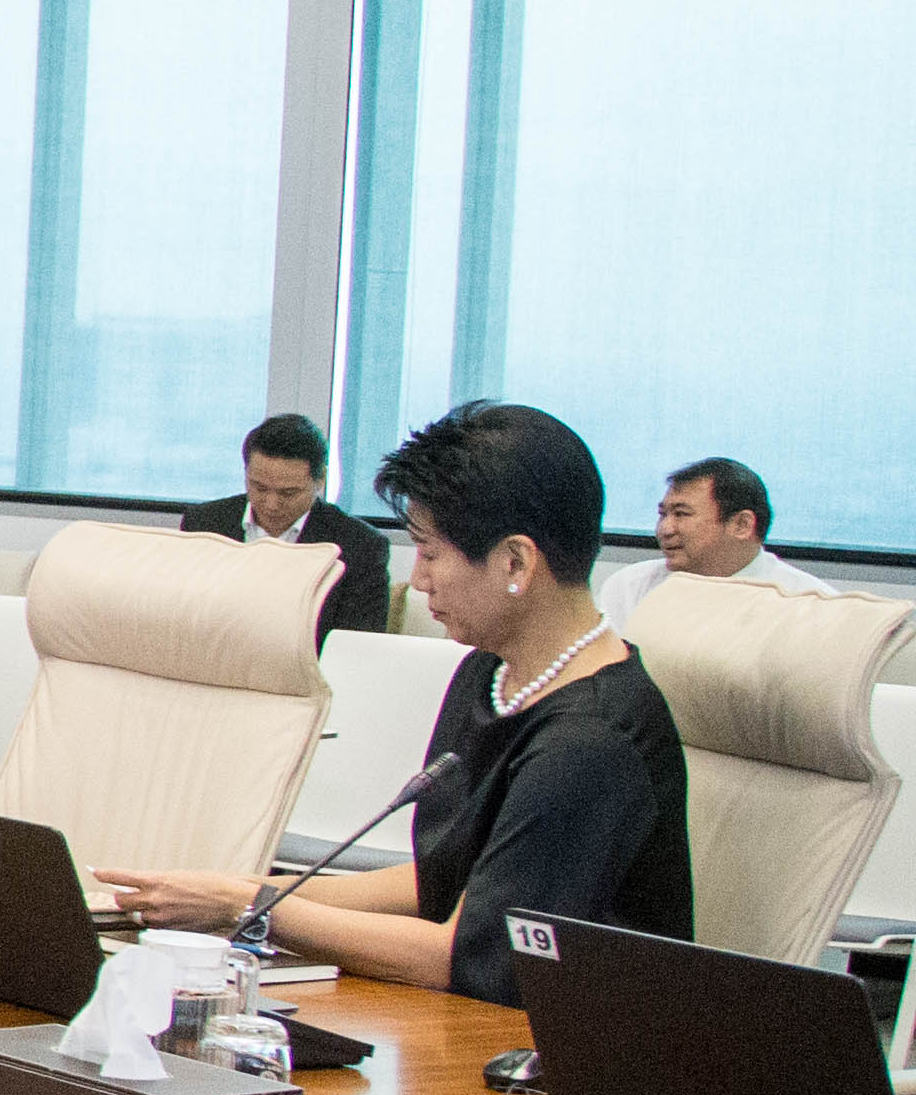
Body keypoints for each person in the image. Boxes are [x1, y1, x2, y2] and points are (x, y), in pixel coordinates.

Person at [105, 401, 689, 1005]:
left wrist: (249, 907)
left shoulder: (591, 740)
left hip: (557, 1037)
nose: (420, 579)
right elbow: (439, 882)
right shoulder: (491, 672)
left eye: (430, 552)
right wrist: (229, 890)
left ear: (516, 562)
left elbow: (466, 955)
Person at [180, 413, 393, 638]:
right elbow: (182, 615)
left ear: (320, 479)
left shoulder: (360, 546)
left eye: (288, 493)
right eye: (259, 488)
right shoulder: (204, 524)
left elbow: (354, 644)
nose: (271, 504)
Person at [598, 456, 831, 626]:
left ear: (742, 525)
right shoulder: (630, 587)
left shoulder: (809, 605)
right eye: (663, 514)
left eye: (681, 514)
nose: (664, 530)